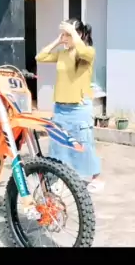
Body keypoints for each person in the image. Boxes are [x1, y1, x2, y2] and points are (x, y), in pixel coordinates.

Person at [35, 19, 103, 192]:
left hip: (79, 107)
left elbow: (84, 52)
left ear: (78, 34)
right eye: (63, 34)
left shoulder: (87, 51)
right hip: (60, 107)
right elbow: (40, 57)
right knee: (58, 144)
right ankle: (59, 176)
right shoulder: (62, 54)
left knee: (83, 143)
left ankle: (96, 178)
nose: (65, 38)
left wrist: (73, 34)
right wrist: (57, 41)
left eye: (68, 34)